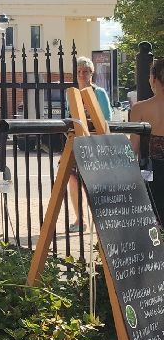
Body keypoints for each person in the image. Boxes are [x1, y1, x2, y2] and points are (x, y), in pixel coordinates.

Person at [67, 56, 113, 230]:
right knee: (72, 179)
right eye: (78, 71)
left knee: (94, 182)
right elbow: (68, 116)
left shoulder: (99, 92)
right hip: (77, 142)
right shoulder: (71, 93)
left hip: (96, 143)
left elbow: (107, 118)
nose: (81, 75)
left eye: (85, 71)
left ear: (92, 73)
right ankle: (80, 219)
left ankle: (101, 220)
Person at [130, 57, 164, 225]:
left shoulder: (139, 108)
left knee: (154, 226)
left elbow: (133, 149)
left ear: (153, 78)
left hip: (152, 173)